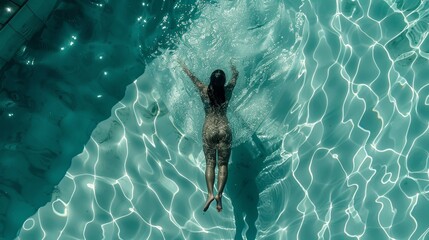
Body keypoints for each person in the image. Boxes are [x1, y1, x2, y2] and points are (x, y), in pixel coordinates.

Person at [179, 60, 239, 212]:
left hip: (209, 129)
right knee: (223, 164)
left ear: (210, 81)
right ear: (223, 82)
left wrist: (183, 65)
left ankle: (210, 194)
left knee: (210, 163)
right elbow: (235, 75)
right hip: (224, 128)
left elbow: (192, 76)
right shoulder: (228, 90)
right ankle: (220, 194)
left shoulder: (203, 90)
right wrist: (232, 65)